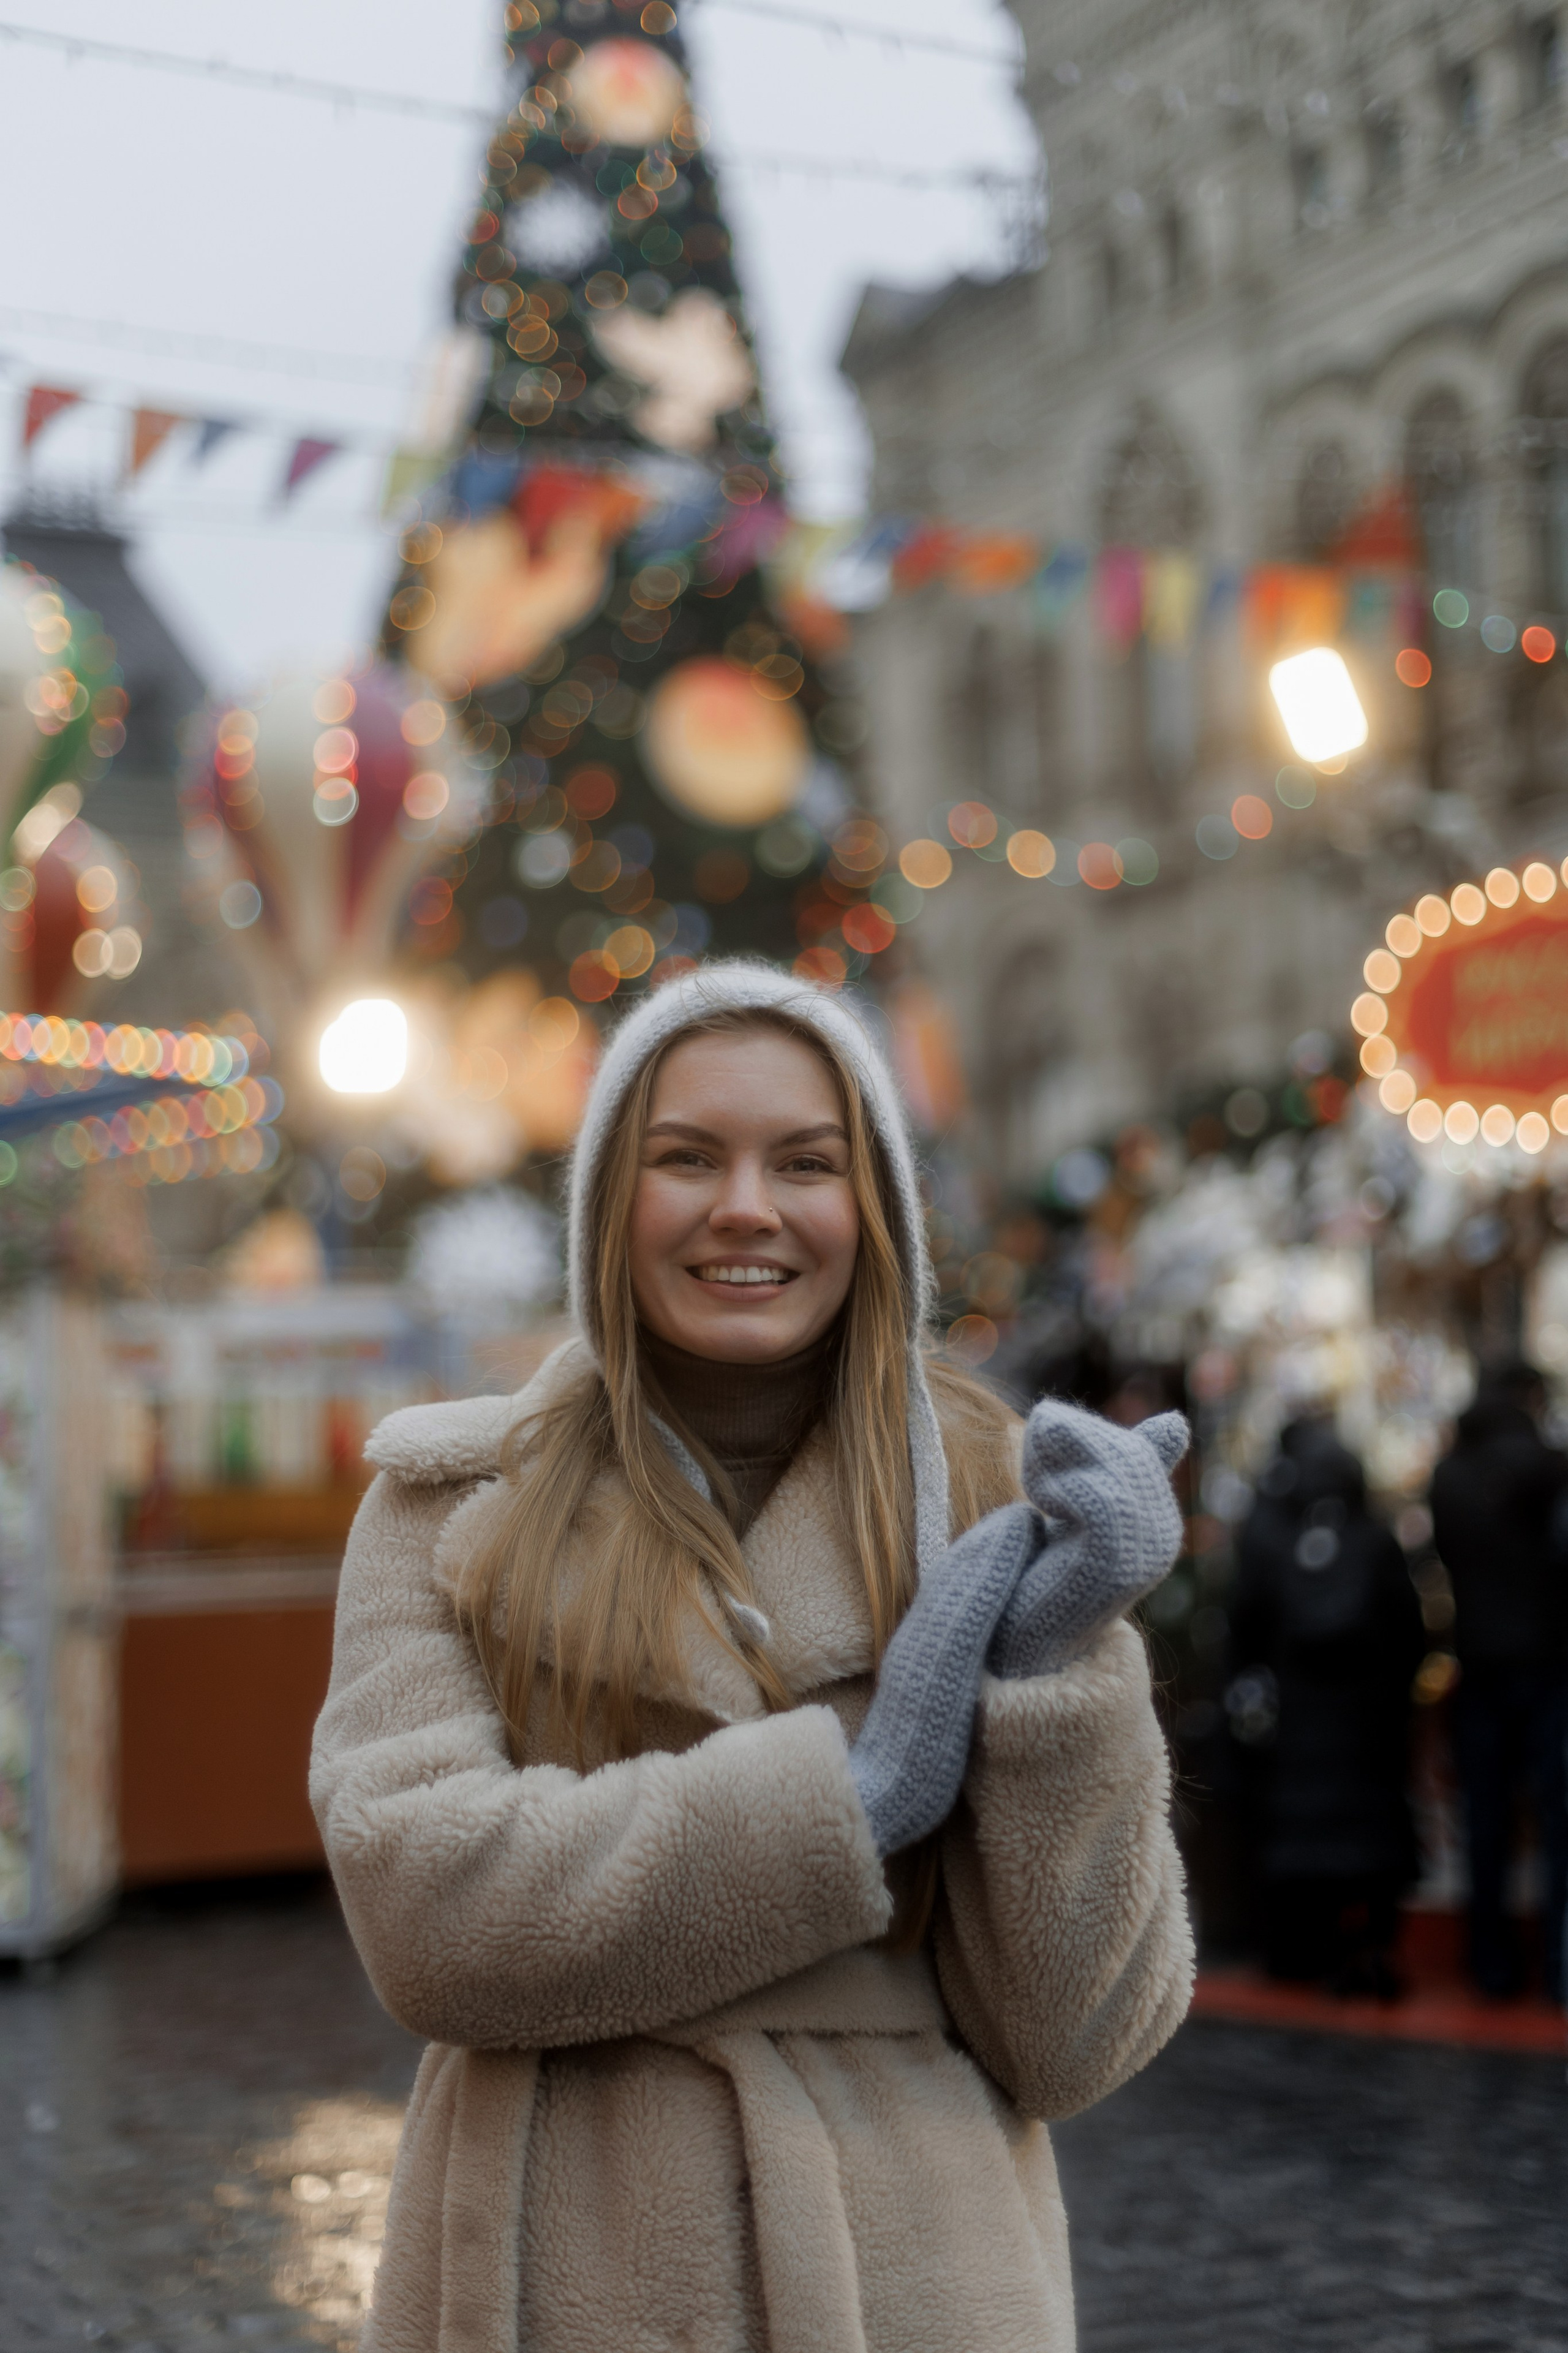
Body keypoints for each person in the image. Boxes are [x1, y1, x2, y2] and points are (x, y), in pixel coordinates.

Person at [311, 962, 1193, 2353]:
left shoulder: (992, 1502)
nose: (745, 1204)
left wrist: (1057, 1673)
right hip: (556, 2269)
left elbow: (1077, 2041)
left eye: (804, 1161)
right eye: (684, 1157)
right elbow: (427, 1923)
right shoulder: (445, 1502)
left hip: (915, 2280)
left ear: (873, 1210)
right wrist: (843, 1800)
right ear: (610, 1201)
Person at [1229, 1418, 1425, 1996]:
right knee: (1371, 1834)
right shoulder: (1375, 1540)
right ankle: (1370, 1950)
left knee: (1302, 1838)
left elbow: (1247, 1630)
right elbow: (1409, 1630)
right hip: (1367, 1725)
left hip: (1299, 1724)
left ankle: (1300, 1951)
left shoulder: (1275, 1542)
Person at [1430, 1362, 1568, 2003]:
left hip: (1478, 1662)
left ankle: (1491, 1965)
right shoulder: (1547, 1466)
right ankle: (1557, 1966)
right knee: (1555, 1816)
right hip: (1547, 1664)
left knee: (1485, 1822)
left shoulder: (1449, 1475)